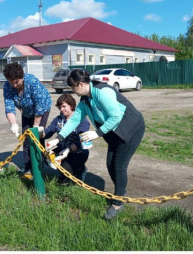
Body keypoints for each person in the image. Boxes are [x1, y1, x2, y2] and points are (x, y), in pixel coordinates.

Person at [57, 69, 145, 220]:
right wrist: (58, 138)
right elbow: (74, 120)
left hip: (130, 129)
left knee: (119, 166)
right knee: (110, 164)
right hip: (114, 132)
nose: (72, 91)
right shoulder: (85, 100)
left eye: (73, 87)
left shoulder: (103, 92)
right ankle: (121, 191)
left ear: (81, 84)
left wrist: (96, 133)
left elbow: (116, 115)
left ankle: (118, 203)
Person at [2, 61, 51, 178]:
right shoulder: (7, 86)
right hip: (26, 111)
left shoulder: (32, 81)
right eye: (11, 82)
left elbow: (39, 106)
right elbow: (9, 106)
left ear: (22, 77)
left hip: (42, 109)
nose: (14, 85)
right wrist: (13, 124)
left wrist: (35, 127)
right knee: (26, 139)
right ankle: (28, 167)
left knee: (36, 137)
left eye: (17, 82)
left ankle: (40, 167)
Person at [40, 93, 90, 182]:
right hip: (62, 148)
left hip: (78, 152)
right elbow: (49, 131)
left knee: (65, 169)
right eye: (60, 107)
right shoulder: (58, 119)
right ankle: (65, 170)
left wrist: (69, 149)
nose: (61, 109)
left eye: (64, 106)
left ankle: (80, 169)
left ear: (71, 105)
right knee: (44, 157)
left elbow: (81, 140)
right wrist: (42, 133)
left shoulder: (82, 120)